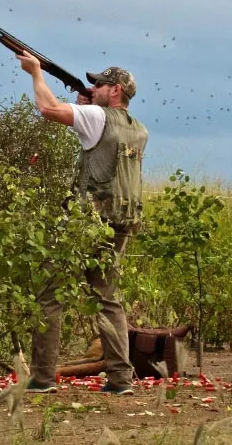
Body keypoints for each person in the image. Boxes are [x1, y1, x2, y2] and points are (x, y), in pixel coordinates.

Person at [13, 49, 148, 396]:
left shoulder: (97, 117)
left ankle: (42, 378)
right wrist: (87, 105)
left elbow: (47, 109)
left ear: (115, 90)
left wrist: (35, 73)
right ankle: (120, 379)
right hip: (118, 222)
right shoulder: (137, 129)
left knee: (50, 294)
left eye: (101, 84)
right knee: (108, 298)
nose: (95, 88)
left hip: (86, 221)